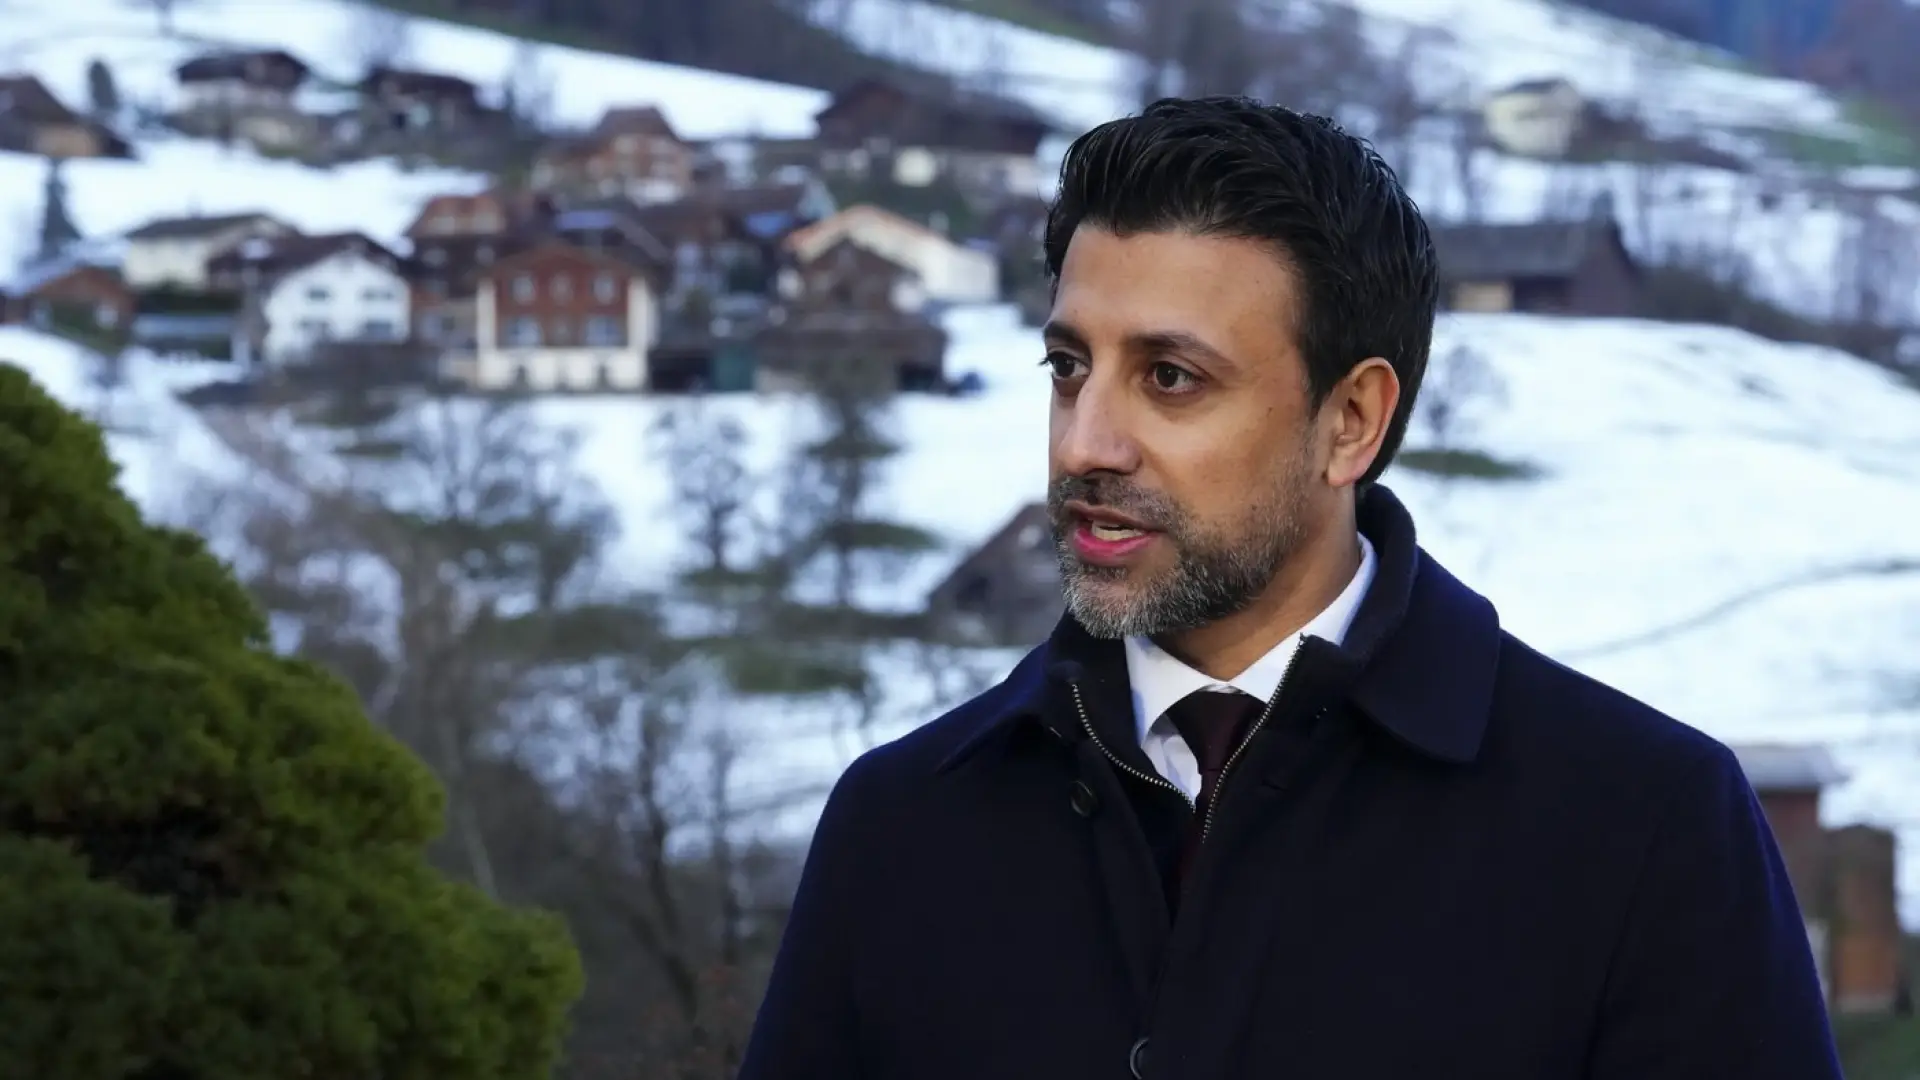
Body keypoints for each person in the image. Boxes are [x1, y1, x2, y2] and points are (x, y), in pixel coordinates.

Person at [737, 96, 1841, 1079]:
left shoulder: (1644, 829)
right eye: (1069, 367)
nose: (1084, 443)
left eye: (1171, 377)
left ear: (1350, 421)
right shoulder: (904, 825)